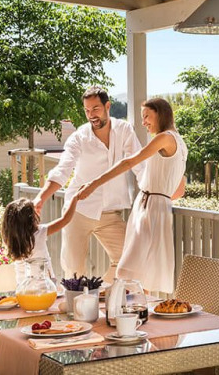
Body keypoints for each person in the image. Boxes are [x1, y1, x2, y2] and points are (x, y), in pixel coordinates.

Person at [33, 86, 144, 282]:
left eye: (95, 109)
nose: (91, 115)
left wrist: (155, 194)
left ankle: (100, 293)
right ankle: (80, 303)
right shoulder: (79, 137)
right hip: (78, 211)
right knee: (74, 270)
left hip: (110, 212)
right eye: (87, 110)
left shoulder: (124, 130)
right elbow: (63, 169)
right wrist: (41, 197)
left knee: (132, 259)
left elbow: (140, 165)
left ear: (107, 106)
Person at [77, 98, 187, 293]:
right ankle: (137, 314)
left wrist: (93, 184)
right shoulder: (180, 143)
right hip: (155, 207)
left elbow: (128, 163)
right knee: (141, 274)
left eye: (147, 116)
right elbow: (180, 187)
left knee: (128, 272)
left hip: (150, 209)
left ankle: (120, 311)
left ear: (160, 114)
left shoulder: (163, 138)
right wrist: (161, 198)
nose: (143, 122)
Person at [1, 195, 79, 285]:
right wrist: (75, 198)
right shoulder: (40, 232)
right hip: (44, 284)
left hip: (23, 285)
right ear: (31, 218)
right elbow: (65, 220)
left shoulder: (10, 238)